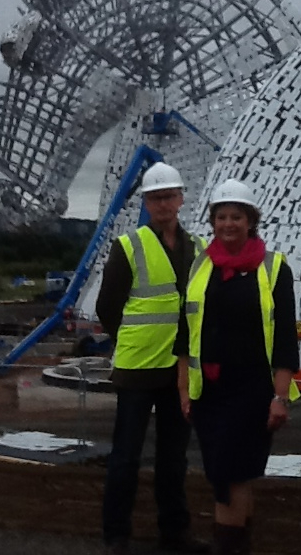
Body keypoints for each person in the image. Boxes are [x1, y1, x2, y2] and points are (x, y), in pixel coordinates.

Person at [176, 178, 299, 555]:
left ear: (251, 221)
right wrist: (183, 390)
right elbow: (185, 334)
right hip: (210, 392)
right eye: (222, 217)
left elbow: (284, 342)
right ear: (213, 221)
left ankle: (226, 548)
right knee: (235, 474)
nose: (228, 224)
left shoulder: (275, 269)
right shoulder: (201, 267)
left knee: (227, 473)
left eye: (237, 217)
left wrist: (281, 397)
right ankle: (238, 545)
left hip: (252, 392)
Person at [96, 162, 209, 555]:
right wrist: (132, 339)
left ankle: (174, 532)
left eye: (169, 196)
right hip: (138, 369)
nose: (163, 204)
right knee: (126, 455)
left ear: (180, 199)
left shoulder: (196, 248)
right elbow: (108, 308)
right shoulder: (129, 247)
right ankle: (116, 535)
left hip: (178, 371)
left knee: (173, 457)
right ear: (146, 203)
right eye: (156, 198)